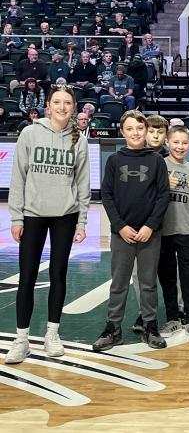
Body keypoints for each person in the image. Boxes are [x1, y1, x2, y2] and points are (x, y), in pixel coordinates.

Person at [4, 86, 90, 364]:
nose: (62, 107)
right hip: (33, 215)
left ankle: (53, 333)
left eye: (67, 103)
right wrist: (17, 217)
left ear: (74, 106)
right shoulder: (30, 133)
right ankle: (21, 339)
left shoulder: (80, 140)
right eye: (57, 102)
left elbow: (82, 185)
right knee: (26, 277)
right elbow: (18, 178)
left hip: (65, 215)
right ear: (48, 106)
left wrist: (82, 222)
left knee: (58, 275)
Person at [93, 110, 169, 352]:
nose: (135, 133)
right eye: (130, 129)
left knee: (147, 283)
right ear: (122, 132)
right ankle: (113, 329)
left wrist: (150, 226)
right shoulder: (115, 161)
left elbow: (163, 195)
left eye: (139, 128)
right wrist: (120, 226)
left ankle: (149, 326)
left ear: (146, 131)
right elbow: (107, 195)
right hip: (121, 234)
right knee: (119, 283)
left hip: (150, 234)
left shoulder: (156, 161)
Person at [157, 126, 189, 340]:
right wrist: (165, 185)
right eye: (175, 142)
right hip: (164, 230)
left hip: (187, 230)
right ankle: (172, 319)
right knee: (167, 277)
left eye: (184, 143)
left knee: (188, 276)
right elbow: (149, 195)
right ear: (167, 142)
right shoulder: (160, 165)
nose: (180, 146)